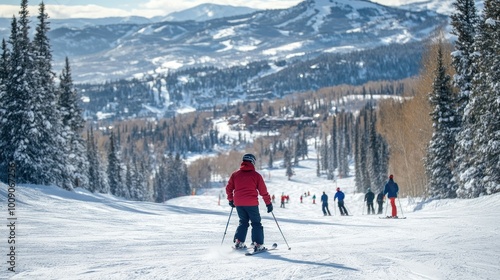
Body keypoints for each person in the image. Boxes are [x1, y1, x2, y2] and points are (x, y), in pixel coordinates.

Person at [226, 154, 273, 252]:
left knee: (243, 222)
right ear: (252, 162)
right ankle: (258, 244)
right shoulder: (256, 175)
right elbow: (263, 191)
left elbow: (229, 188)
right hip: (251, 203)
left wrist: (231, 200)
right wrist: (268, 203)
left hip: (239, 203)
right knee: (256, 223)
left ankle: (239, 242)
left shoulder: (235, 174)